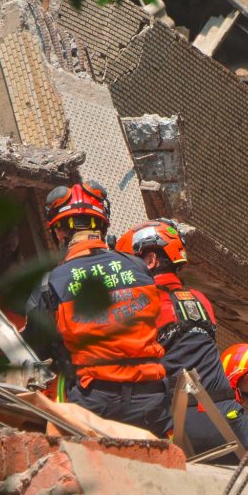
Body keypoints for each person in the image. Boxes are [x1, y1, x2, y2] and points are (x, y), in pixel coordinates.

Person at [23, 182, 169, 437]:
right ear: (102, 226)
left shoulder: (51, 283)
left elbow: (38, 350)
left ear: (59, 232)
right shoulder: (138, 268)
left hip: (97, 402)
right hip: (152, 400)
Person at [115, 220, 248, 454]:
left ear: (150, 260)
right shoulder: (201, 300)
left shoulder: (143, 304)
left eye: (128, 266)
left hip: (183, 426)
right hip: (232, 420)